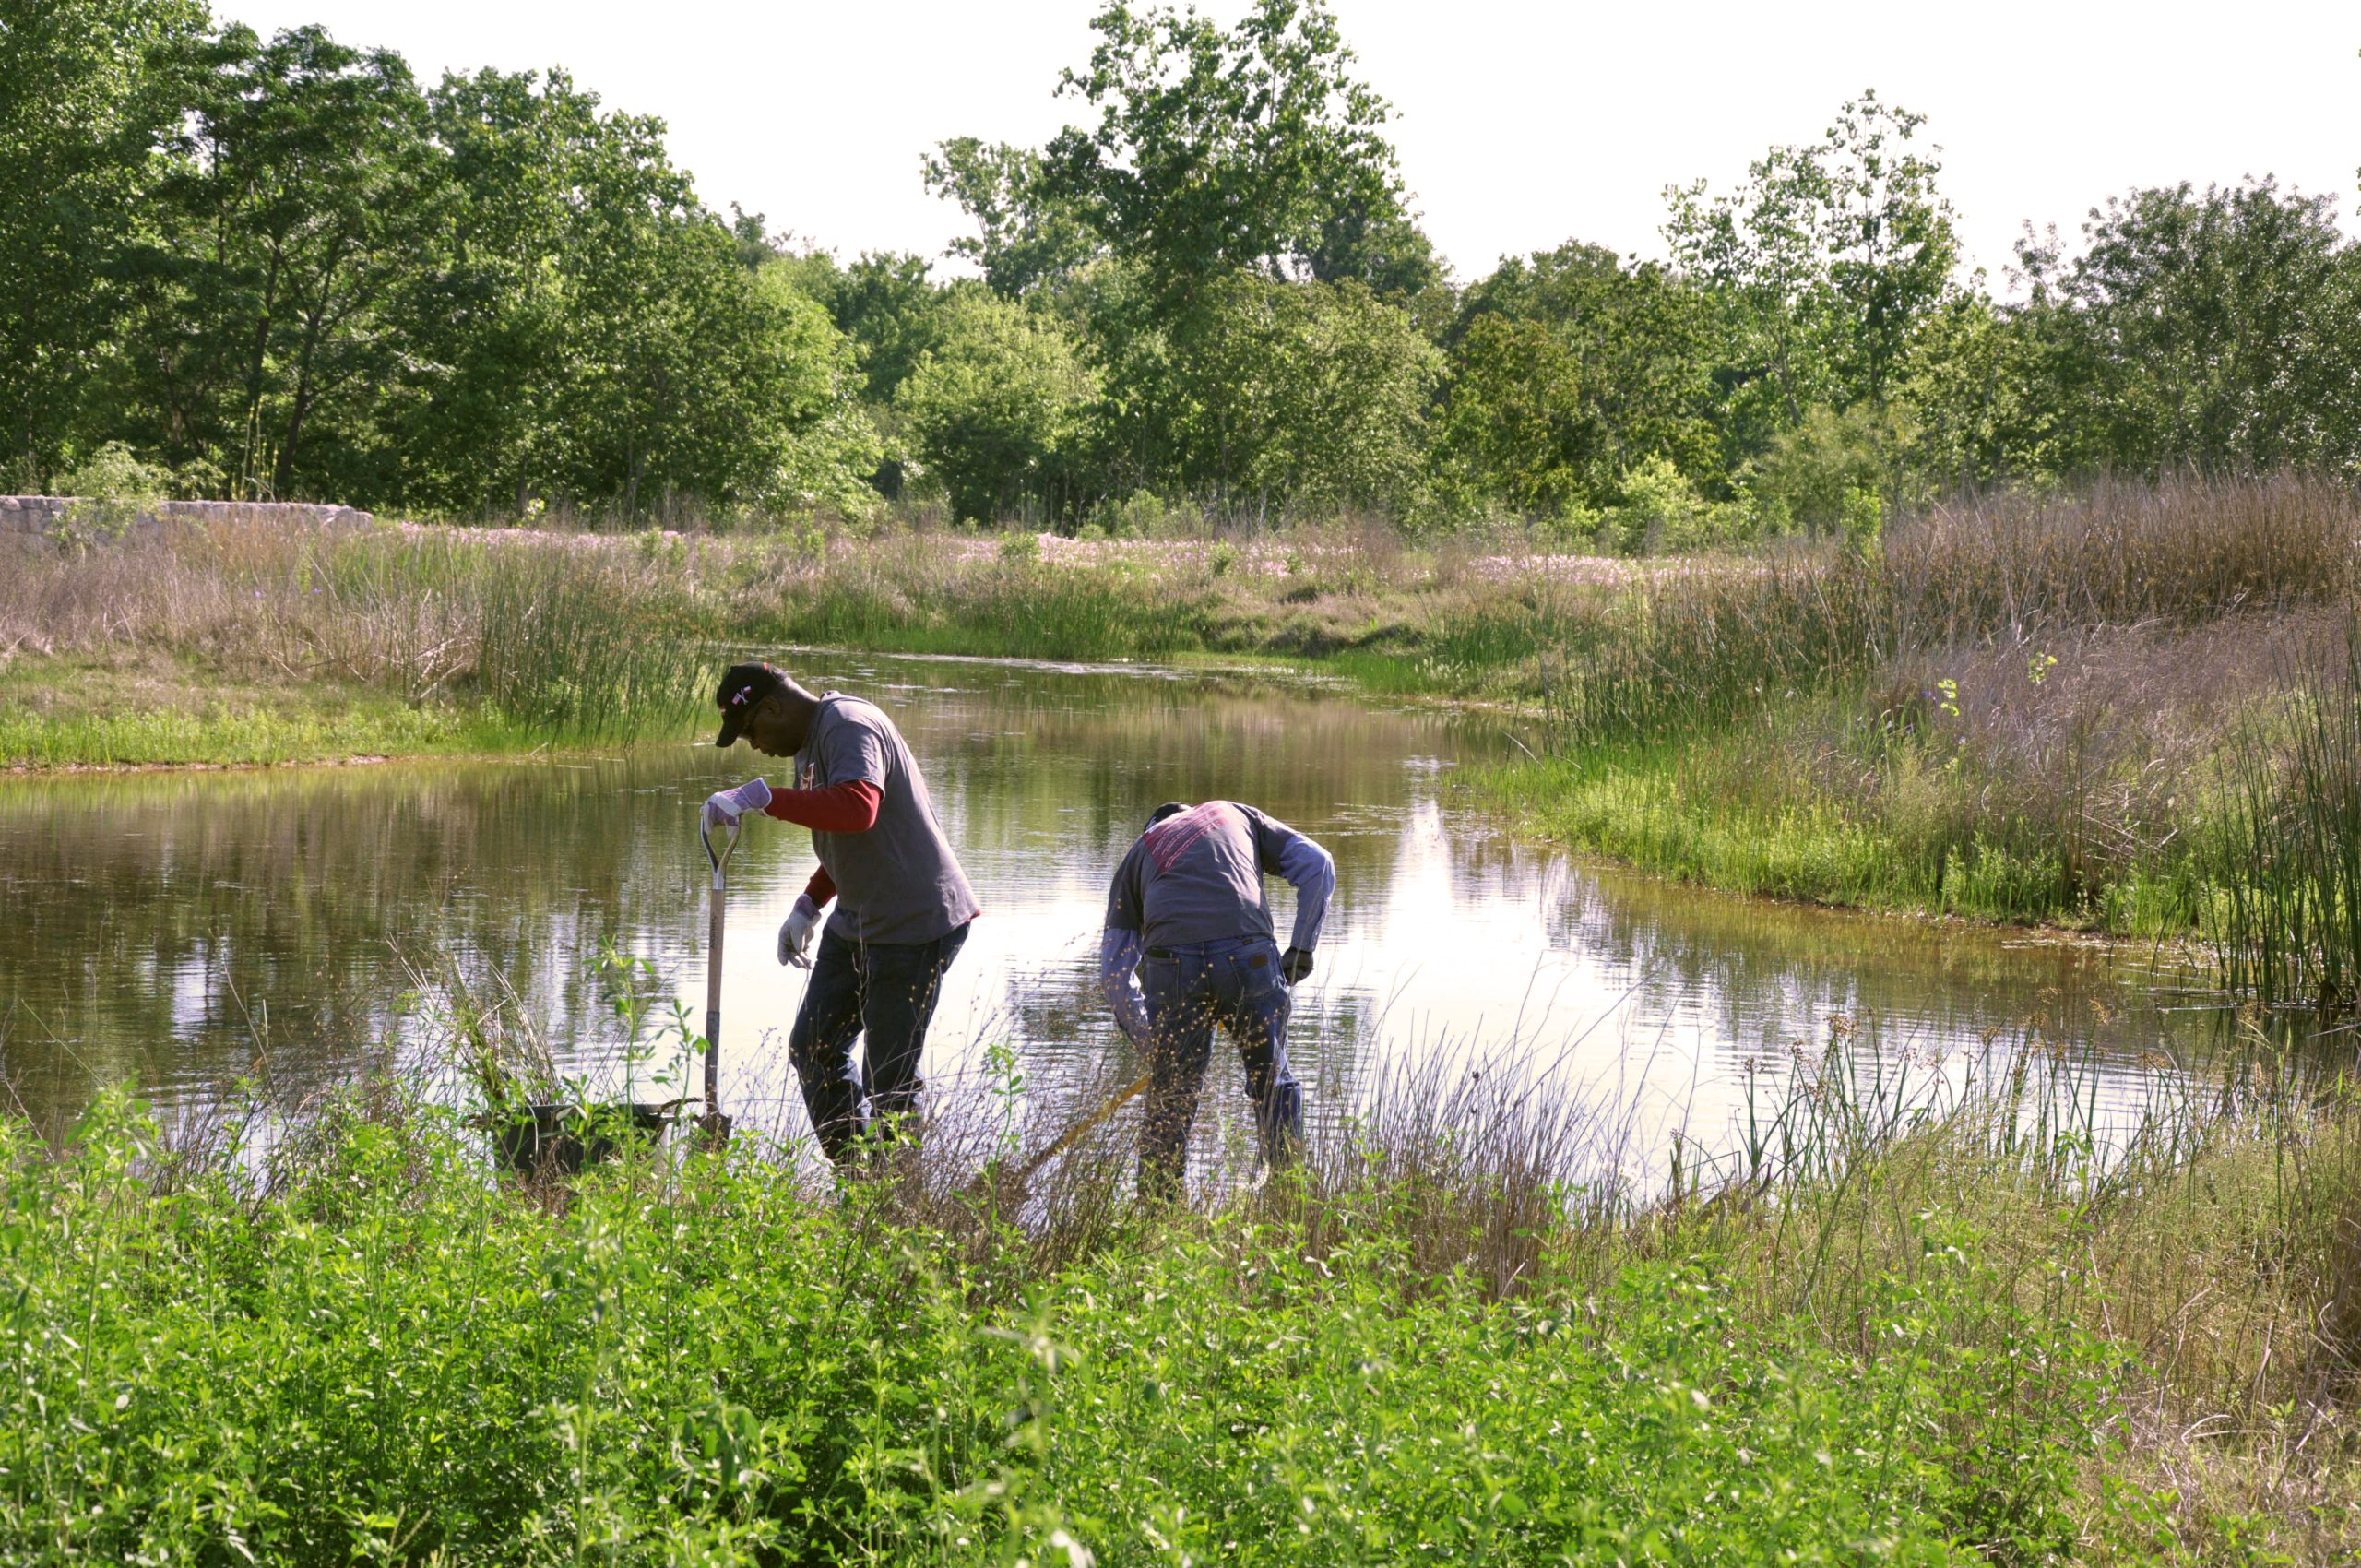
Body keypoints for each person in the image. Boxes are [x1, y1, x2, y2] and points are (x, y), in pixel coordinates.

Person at [701, 660, 981, 1163]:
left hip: (915, 921)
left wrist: (763, 799)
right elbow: (848, 840)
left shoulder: (849, 724)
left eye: (751, 732)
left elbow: (858, 808)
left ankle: (896, 1201)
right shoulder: (808, 744)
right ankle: (859, 1184)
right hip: (859, 918)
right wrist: (808, 905)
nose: (755, 745)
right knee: (812, 1048)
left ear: (772, 707)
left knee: (888, 1075)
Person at [1098, 800, 1335, 1197]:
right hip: (1250, 955)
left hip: (1171, 966)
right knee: (1272, 1081)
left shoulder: (1140, 852)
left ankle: (1158, 1217)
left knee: (1171, 1096)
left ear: (1152, 827)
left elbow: (1115, 976)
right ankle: (1290, 1199)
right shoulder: (1235, 815)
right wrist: (1302, 947)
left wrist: (1152, 1043)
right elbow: (1319, 864)